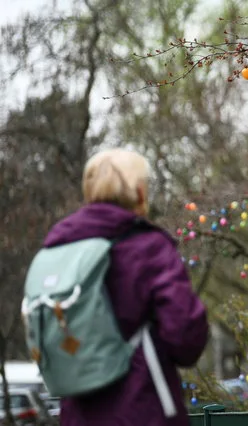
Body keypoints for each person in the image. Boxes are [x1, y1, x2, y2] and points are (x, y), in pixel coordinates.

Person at [42, 149, 209, 426]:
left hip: (76, 414)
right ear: (140, 192)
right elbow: (185, 338)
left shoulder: (57, 248)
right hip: (142, 410)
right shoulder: (148, 248)